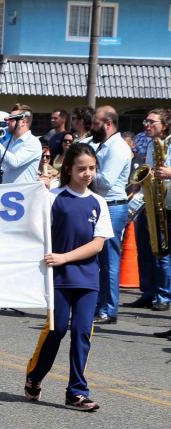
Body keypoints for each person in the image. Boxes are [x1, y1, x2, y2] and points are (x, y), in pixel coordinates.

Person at [25, 142, 111, 412]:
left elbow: (98, 244)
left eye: (92, 169)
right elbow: (31, 224)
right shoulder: (54, 197)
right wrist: (39, 190)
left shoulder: (98, 202)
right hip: (58, 277)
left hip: (86, 277)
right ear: (70, 169)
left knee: (82, 332)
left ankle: (76, 391)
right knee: (57, 329)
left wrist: (65, 256)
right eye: (81, 168)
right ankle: (35, 377)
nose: (87, 173)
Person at [88, 106, 131, 325]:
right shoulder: (103, 145)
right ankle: (98, 305)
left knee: (109, 261)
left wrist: (85, 170)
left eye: (95, 123)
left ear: (108, 124)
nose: (91, 127)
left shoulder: (117, 148)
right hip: (102, 205)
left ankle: (108, 309)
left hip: (113, 206)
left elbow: (105, 183)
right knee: (97, 260)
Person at [129, 109, 171, 315]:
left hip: (168, 204)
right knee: (144, 249)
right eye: (146, 120)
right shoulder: (151, 145)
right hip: (150, 201)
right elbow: (148, 169)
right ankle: (148, 292)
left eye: (152, 122)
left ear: (164, 124)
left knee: (163, 252)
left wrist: (170, 173)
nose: (147, 124)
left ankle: (163, 296)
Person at [0, 104, 42, 184]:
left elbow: (15, 162)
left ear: (23, 122)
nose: (7, 122)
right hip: (6, 192)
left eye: (11, 119)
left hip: (22, 194)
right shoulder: (7, 142)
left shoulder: (33, 142)